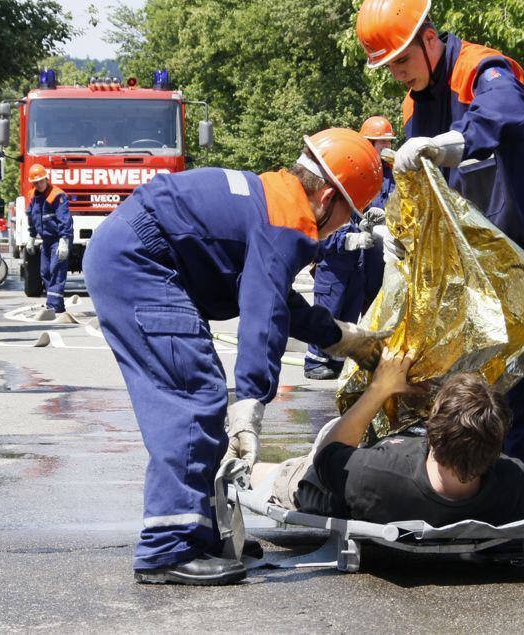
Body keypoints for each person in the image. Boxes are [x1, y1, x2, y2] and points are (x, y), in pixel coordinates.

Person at [84, 128, 391, 586]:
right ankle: (167, 548)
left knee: (196, 390)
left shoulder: (274, 198)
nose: (340, 227)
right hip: (140, 262)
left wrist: (342, 338)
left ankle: (196, 531)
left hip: (133, 253)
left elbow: (272, 297)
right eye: (347, 213)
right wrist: (250, 403)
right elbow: (263, 309)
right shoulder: (291, 219)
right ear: (328, 196)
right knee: (192, 394)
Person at [355, 0, 524, 516]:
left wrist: (449, 143)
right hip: (477, 261)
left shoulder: (482, 71)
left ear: (430, 39)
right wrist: (394, 230)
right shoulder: (417, 102)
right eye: (388, 66)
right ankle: (477, 495)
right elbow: (417, 183)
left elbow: (508, 117)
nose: (399, 73)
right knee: (470, 383)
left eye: (404, 59)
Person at [253, 351, 524, 527]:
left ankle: (239, 466)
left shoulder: (376, 474)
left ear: (434, 432)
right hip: (398, 463)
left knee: (277, 471)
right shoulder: (515, 483)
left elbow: (326, 457)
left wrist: (379, 390)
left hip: (322, 485)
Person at [304, 116, 398, 380]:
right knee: (329, 309)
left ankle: (336, 359)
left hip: (365, 257)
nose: (384, 148)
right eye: (380, 143)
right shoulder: (350, 171)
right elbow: (330, 221)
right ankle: (315, 360)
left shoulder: (390, 174)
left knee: (352, 308)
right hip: (339, 257)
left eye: (388, 142)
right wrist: (353, 237)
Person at [24, 164, 73, 318]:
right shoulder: (33, 196)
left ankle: (53, 306)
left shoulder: (57, 195)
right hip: (46, 240)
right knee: (45, 271)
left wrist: (64, 241)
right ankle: (57, 305)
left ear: (46, 178)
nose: (39, 184)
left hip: (59, 239)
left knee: (56, 269)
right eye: (36, 182)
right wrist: (31, 237)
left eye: (41, 181)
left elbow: (65, 220)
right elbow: (31, 218)